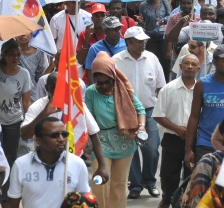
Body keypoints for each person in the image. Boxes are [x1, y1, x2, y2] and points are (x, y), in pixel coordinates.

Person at [84, 51, 147, 208]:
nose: (104, 86)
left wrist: (141, 127)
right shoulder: (91, 92)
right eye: (100, 83)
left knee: (119, 184)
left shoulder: (124, 88)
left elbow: (140, 110)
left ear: (113, 76)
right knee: (99, 182)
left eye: (107, 82)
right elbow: (89, 119)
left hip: (124, 140)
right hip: (101, 141)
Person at [18, 71, 108, 179]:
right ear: (47, 88)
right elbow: (24, 135)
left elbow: (93, 134)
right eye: (55, 87)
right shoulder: (38, 106)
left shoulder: (78, 105)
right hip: (46, 164)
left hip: (73, 162)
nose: (60, 91)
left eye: (64, 87)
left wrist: (102, 166)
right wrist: (44, 114)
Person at [113, 27, 166, 200]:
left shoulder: (152, 58)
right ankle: (135, 185)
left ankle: (150, 182)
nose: (144, 43)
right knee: (131, 150)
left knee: (151, 148)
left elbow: (160, 87)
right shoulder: (116, 61)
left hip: (149, 110)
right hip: (126, 112)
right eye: (139, 40)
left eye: (144, 40)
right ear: (128, 42)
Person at [5, 118, 91, 208]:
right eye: (54, 135)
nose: (61, 139)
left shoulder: (78, 164)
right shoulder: (21, 164)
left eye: (64, 134)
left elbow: (84, 202)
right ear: (38, 140)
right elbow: (12, 204)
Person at [185, 45, 224, 170]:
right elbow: (194, 116)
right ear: (214, 62)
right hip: (206, 143)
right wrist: (188, 149)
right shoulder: (202, 84)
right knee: (204, 183)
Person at [154, 54, 200, 208]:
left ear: (198, 68)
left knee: (191, 175)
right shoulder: (168, 88)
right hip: (172, 138)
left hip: (194, 140)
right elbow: (158, 115)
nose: (190, 67)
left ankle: (186, 203)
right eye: (186, 63)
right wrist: (176, 128)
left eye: (193, 64)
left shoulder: (201, 89)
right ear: (180, 66)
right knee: (168, 176)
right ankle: (167, 200)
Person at [0, 39, 31, 191]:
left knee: (11, 158)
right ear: (3, 55)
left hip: (14, 123)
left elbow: (26, 101)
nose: (15, 58)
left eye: (18, 55)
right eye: (11, 54)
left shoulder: (24, 74)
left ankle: (8, 194)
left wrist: (29, 123)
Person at [84, 16, 127, 82]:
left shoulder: (126, 45)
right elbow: (90, 73)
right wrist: (96, 91)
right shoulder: (94, 48)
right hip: (104, 86)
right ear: (106, 31)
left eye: (119, 28)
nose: (118, 31)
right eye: (115, 29)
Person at [17, 31, 49, 101]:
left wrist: (52, 65)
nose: (23, 34)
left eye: (25, 31)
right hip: (14, 91)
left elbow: (40, 76)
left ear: (31, 35)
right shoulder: (10, 53)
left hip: (32, 92)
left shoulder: (38, 53)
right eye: (19, 31)